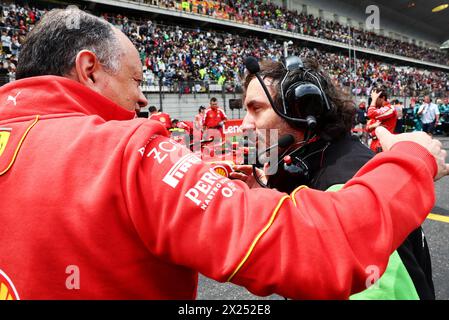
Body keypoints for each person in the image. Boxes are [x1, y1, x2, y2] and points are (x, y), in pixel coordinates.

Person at [0, 8, 447, 300]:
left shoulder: (342, 174)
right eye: (137, 81)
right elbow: (322, 244)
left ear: (303, 111)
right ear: (89, 70)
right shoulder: (127, 152)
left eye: (255, 109)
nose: (141, 100)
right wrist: (414, 159)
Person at [231, 57, 435, 300]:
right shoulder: (326, 157)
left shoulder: (341, 184)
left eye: (256, 109)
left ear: (303, 111)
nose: (244, 125)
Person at [366, 88, 397, 153]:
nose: (373, 101)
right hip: (373, 143)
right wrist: (373, 126)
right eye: (372, 99)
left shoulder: (390, 108)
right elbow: (367, 128)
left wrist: (374, 100)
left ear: (383, 98)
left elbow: (370, 114)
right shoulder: (377, 109)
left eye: (375, 99)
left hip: (383, 144)